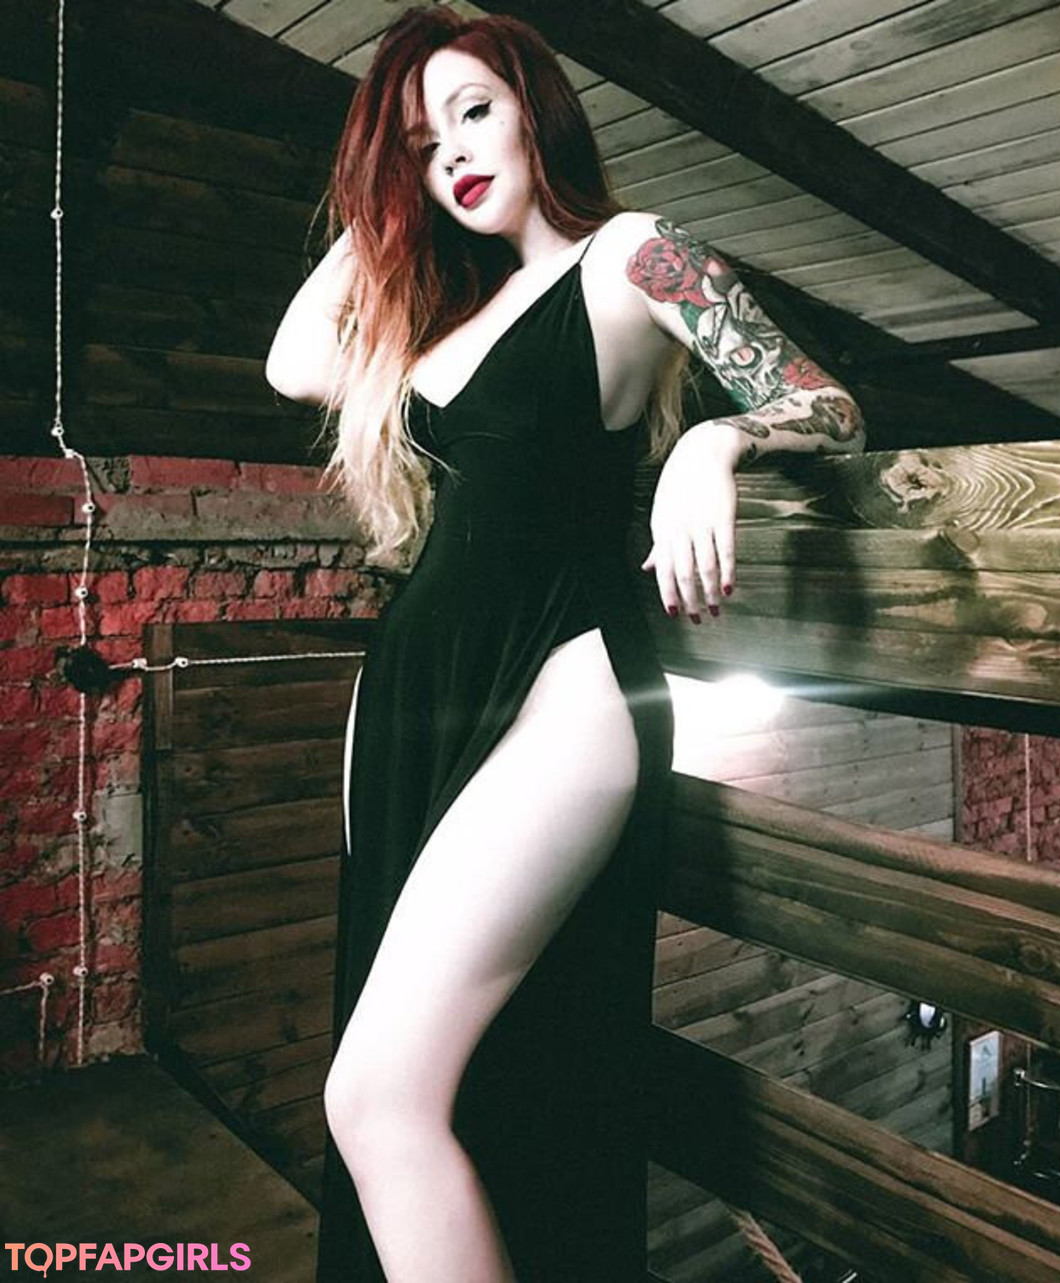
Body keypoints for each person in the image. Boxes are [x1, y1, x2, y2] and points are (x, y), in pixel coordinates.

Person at [265, 8, 866, 1281]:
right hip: (417, 694)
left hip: (562, 682)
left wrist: (712, 443)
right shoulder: (448, 316)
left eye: (474, 111)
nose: (452, 153)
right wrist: (382, 197)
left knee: (377, 1098)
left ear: (539, 108)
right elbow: (293, 363)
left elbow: (826, 402)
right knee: (463, 1076)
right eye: (422, 143)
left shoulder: (632, 252)